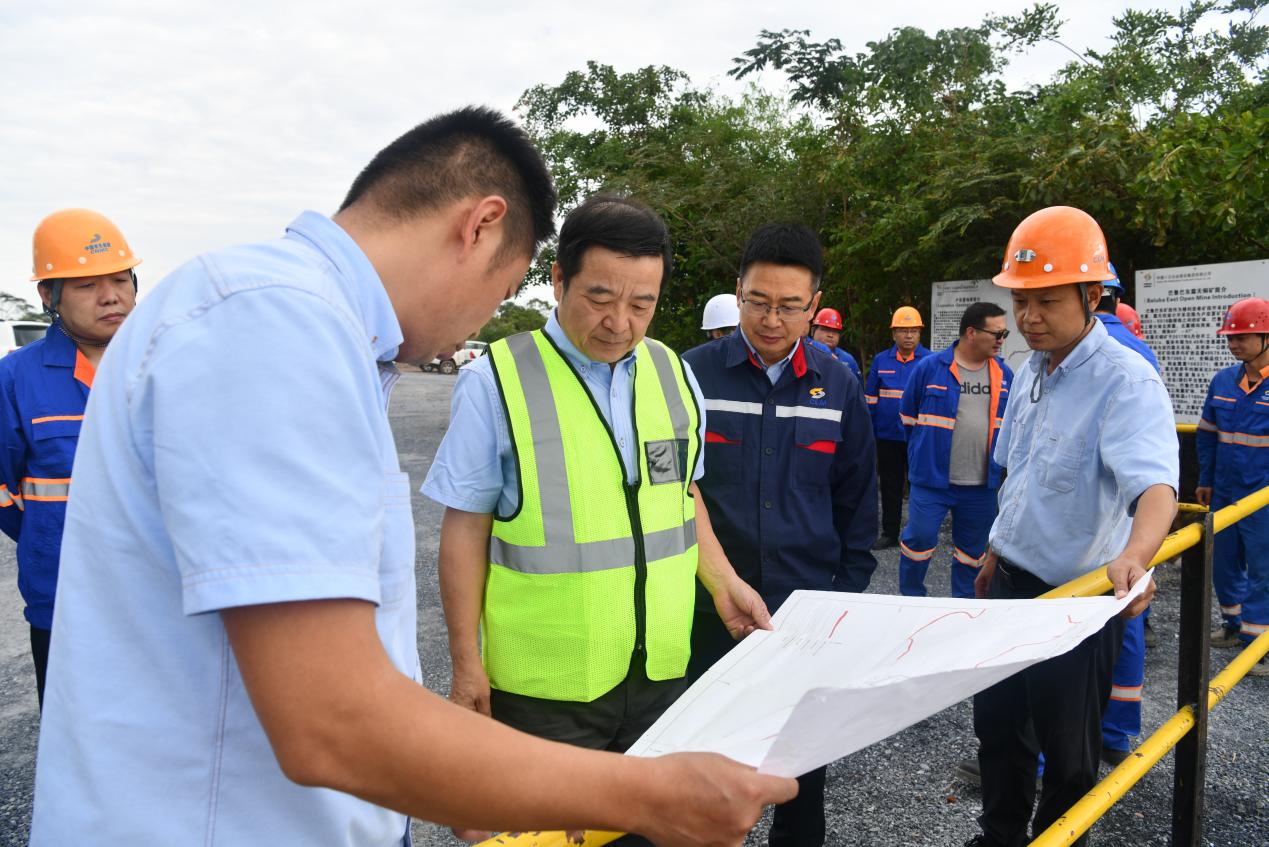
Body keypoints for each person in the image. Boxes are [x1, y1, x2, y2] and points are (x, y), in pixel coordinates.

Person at [29, 107, 795, 846]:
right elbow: (331, 719)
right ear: (478, 226)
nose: (484, 319)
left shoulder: (311, 330)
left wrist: (464, 772)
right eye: (502, 291)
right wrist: (650, 794)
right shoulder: (269, 324)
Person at [422, 196, 770, 835]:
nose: (620, 323)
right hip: (545, 694)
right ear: (559, 279)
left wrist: (723, 582)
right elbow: (465, 529)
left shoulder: (673, 374)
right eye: (600, 298)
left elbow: (682, 495)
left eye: (642, 304)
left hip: (661, 672)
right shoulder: (498, 380)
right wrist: (466, 663)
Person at [964, 206, 1176, 847]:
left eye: (1046, 301)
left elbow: (1155, 487)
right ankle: (1000, 836)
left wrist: (1137, 555)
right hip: (1012, 587)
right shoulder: (1032, 370)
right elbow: (1018, 475)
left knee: (1069, 749)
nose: (1028, 317)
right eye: (1020, 301)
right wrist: (994, 552)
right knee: (999, 726)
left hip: (1078, 600)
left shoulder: (1126, 381)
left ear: (1091, 295)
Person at [683, 223, 878, 847]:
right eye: (759, 302)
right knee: (704, 767)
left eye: (790, 306)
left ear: (814, 305)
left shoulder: (838, 383)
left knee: (799, 772)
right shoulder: (691, 376)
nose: (772, 320)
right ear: (737, 291)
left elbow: (857, 497)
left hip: (803, 612)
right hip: (708, 609)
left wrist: (843, 592)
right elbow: (674, 493)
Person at [0, 209, 140, 710]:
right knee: (75, 733)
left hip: (158, 596)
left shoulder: (165, 364)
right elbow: (5, 493)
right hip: (63, 598)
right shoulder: (16, 378)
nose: (110, 296)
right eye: (86, 285)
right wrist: (51, 536)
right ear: (48, 295)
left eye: (120, 279)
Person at [1092, 262, 1162, 762]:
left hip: (1086, 519)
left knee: (1066, 629)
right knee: (1128, 613)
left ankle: (1045, 755)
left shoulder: (1078, 351)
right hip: (1133, 516)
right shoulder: (1141, 351)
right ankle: (1116, 734)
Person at [896, 302, 1012, 599]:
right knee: (918, 541)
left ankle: (963, 608)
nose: (1001, 340)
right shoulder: (929, 368)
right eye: (997, 333)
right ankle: (911, 600)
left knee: (972, 554)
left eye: (1004, 334)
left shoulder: (1005, 374)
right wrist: (923, 455)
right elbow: (907, 418)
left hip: (982, 486)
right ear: (971, 332)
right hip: (931, 481)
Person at [1196, 296, 1269, 675]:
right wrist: (1205, 479)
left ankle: (1258, 646)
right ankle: (1233, 623)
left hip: (1264, 496)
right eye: (1230, 337)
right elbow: (1208, 435)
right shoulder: (1223, 381)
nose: (1233, 344)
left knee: (1264, 569)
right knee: (1223, 564)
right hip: (1225, 491)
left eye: (1242, 337)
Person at [864, 306, 931, 548]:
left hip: (918, 437)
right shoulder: (881, 360)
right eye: (903, 330)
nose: (908, 335)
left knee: (919, 487)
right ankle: (890, 533)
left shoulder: (930, 361)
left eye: (913, 330)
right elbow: (870, 400)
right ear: (894, 334)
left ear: (920, 333)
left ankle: (918, 536)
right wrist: (870, 434)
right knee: (889, 486)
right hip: (887, 436)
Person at [806, 306, 862, 381]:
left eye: (835, 331)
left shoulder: (848, 359)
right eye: (825, 329)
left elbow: (857, 386)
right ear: (813, 330)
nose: (830, 335)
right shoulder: (802, 351)